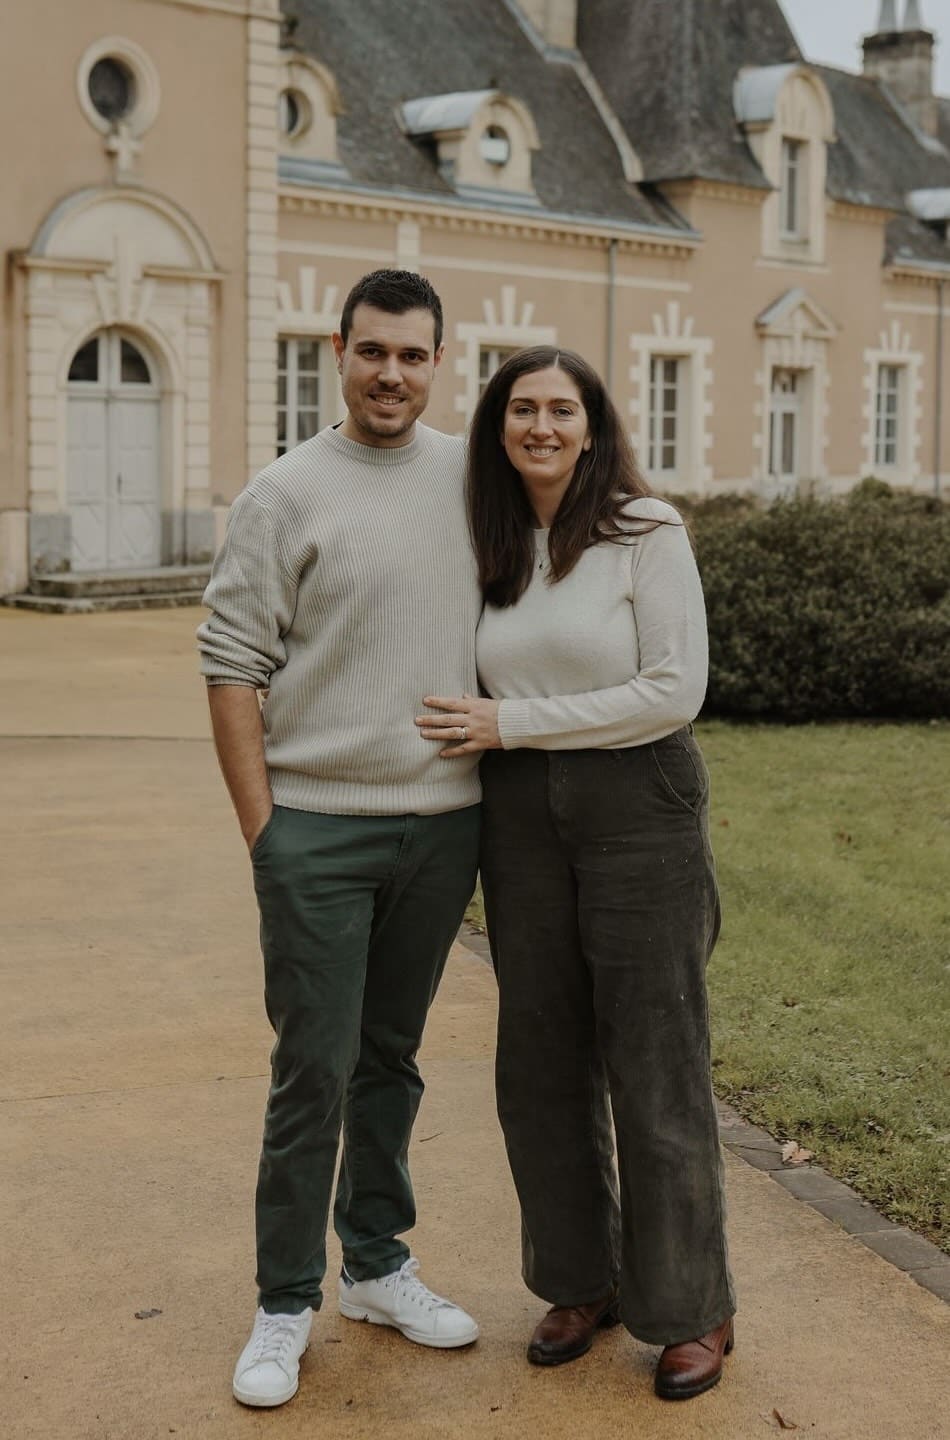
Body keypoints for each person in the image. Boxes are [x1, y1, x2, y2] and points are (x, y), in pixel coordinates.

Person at [416, 346, 736, 1401]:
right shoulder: (494, 539)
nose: (540, 426)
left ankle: (691, 1308)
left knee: (654, 1061)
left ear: (593, 427)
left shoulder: (646, 530)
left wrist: (513, 722)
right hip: (518, 817)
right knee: (539, 1061)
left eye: (561, 410)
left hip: (636, 806)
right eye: (521, 409)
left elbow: (671, 690)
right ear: (497, 427)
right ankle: (576, 1281)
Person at [198, 269, 482, 1410]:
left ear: (436, 360)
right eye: (374, 352)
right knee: (310, 1069)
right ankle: (283, 1301)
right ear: (338, 349)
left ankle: (374, 1265)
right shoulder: (283, 493)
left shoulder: (473, 478)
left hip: (442, 830)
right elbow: (230, 667)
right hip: (316, 831)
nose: (392, 375)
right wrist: (267, 833)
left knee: (390, 1060)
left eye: (413, 356)